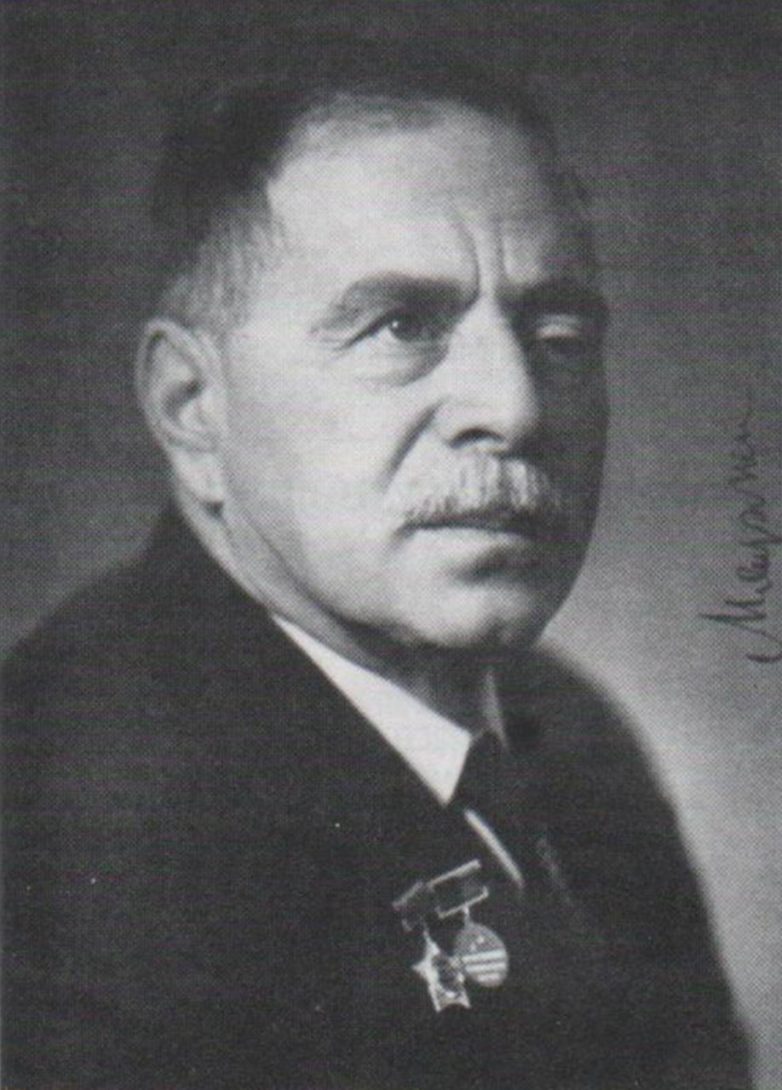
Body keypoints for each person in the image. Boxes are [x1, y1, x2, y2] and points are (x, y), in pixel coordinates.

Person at [2, 36, 752, 1090]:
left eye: (557, 334)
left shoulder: (572, 740)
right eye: (401, 326)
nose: (514, 408)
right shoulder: (56, 818)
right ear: (192, 407)